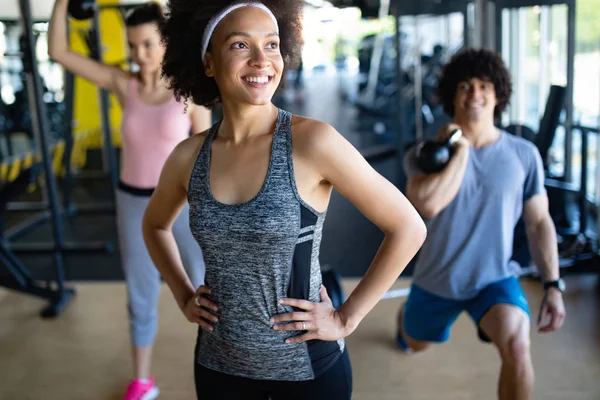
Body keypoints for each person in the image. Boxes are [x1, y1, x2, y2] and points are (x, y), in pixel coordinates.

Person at [141, 1, 427, 398]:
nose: (262, 60)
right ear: (209, 62)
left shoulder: (312, 141)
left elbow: (408, 227)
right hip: (218, 365)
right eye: (241, 45)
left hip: (307, 371)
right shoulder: (188, 156)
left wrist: (347, 318)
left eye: (272, 44)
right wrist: (183, 294)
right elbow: (154, 225)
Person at [48, 2, 212, 399]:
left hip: (184, 205)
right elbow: (59, 53)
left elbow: (207, 155)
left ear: (166, 42)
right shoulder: (126, 85)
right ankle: (143, 382)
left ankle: (222, 369)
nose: (138, 55)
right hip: (135, 204)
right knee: (140, 293)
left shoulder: (188, 92)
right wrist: (61, 3)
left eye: (147, 45)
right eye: (132, 46)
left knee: (208, 291)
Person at [395, 48, 567, 400]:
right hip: (437, 279)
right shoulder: (426, 154)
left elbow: (538, 223)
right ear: (451, 96)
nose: (475, 93)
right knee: (416, 342)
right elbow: (426, 204)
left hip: (494, 278)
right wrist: (461, 150)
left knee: (518, 344)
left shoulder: (523, 154)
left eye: (484, 85)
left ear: (498, 93)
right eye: (465, 86)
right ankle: (405, 320)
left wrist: (553, 284)